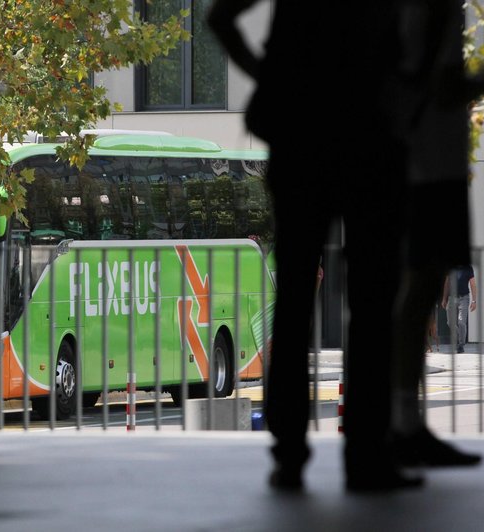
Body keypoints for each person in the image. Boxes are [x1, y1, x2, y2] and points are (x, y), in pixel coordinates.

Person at [208, 0, 421, 491]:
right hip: (369, 138)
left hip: (300, 138)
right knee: (371, 304)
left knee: (295, 297)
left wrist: (272, 78)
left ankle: (289, 451)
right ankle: (367, 451)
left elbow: (220, 17)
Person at [389, 0, 484, 468]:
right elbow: (441, 83)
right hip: (431, 160)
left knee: (417, 289)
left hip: (430, 155)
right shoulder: (431, 10)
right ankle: (402, 422)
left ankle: (401, 420)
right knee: (418, 289)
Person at [441, 265, 477, 353]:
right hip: (451, 297)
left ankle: (461, 344)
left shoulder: (468, 267)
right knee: (450, 322)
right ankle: (459, 336)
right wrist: (444, 299)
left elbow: (473, 284)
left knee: (461, 322)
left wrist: (474, 301)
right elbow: (447, 283)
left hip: (464, 298)